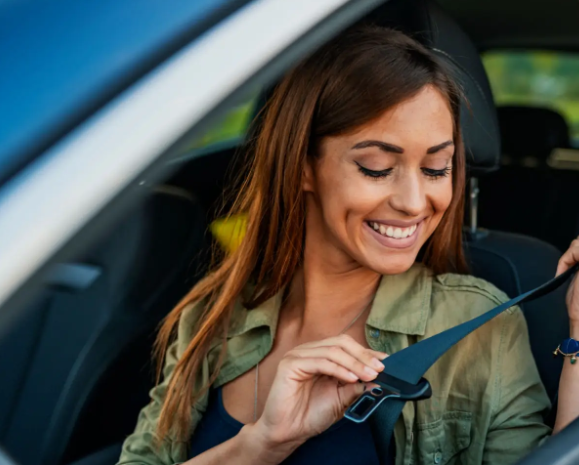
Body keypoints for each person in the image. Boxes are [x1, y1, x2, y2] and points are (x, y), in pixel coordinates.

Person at [117, 26, 579, 465]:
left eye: (436, 169)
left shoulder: (477, 323)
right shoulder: (211, 318)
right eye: (377, 168)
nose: (414, 201)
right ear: (302, 167)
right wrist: (261, 446)